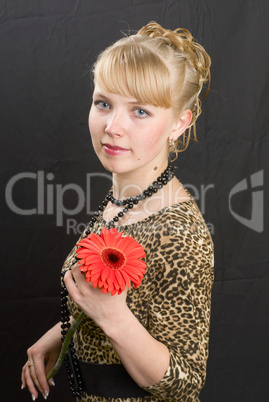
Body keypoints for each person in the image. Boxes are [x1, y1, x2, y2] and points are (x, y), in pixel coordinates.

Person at [21, 21, 214, 402]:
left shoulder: (178, 233)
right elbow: (113, 298)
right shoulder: (124, 200)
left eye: (140, 111)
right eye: (103, 103)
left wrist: (112, 317)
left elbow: (186, 382)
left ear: (179, 123)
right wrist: (59, 335)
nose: (112, 127)